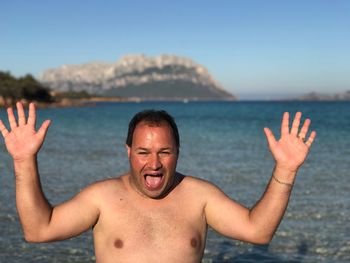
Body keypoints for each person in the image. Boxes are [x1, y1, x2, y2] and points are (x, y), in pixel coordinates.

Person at [0, 102, 316, 263]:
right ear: (128, 152)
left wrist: (285, 170)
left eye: (164, 152)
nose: (154, 163)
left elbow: (258, 232)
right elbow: (38, 230)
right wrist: (24, 161)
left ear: (178, 152)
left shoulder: (199, 196)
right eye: (143, 152)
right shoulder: (102, 198)